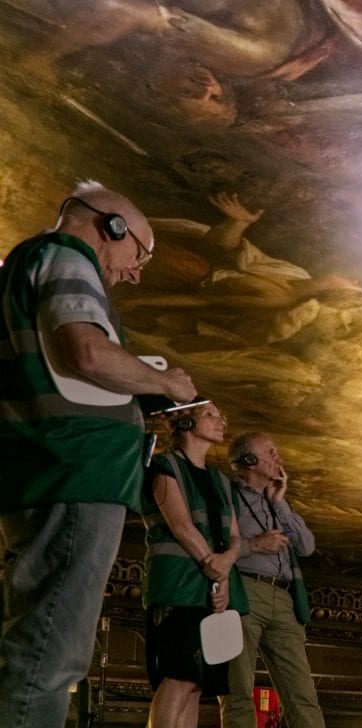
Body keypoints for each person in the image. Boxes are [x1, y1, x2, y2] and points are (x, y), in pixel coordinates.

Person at [0, 181, 196, 727]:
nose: (136, 271)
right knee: (49, 655)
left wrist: (133, 393)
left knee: (38, 642)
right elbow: (86, 350)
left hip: (49, 470)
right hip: (73, 472)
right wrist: (172, 384)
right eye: (140, 252)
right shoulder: (67, 255)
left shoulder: (26, 265)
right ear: (111, 226)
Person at [142, 401, 248, 728]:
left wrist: (224, 577)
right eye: (210, 414)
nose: (222, 420)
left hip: (210, 591)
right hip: (177, 586)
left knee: (197, 682)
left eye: (221, 413)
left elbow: (234, 538)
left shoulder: (220, 480)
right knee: (180, 675)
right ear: (186, 423)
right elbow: (181, 526)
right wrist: (212, 565)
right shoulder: (164, 466)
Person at [219, 432, 324, 728]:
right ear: (248, 461)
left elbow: (306, 546)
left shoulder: (277, 503)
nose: (279, 457)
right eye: (270, 452)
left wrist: (280, 504)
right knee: (236, 688)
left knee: (302, 692)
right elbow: (214, 543)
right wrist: (256, 544)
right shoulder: (227, 495)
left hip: (285, 599)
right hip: (243, 590)